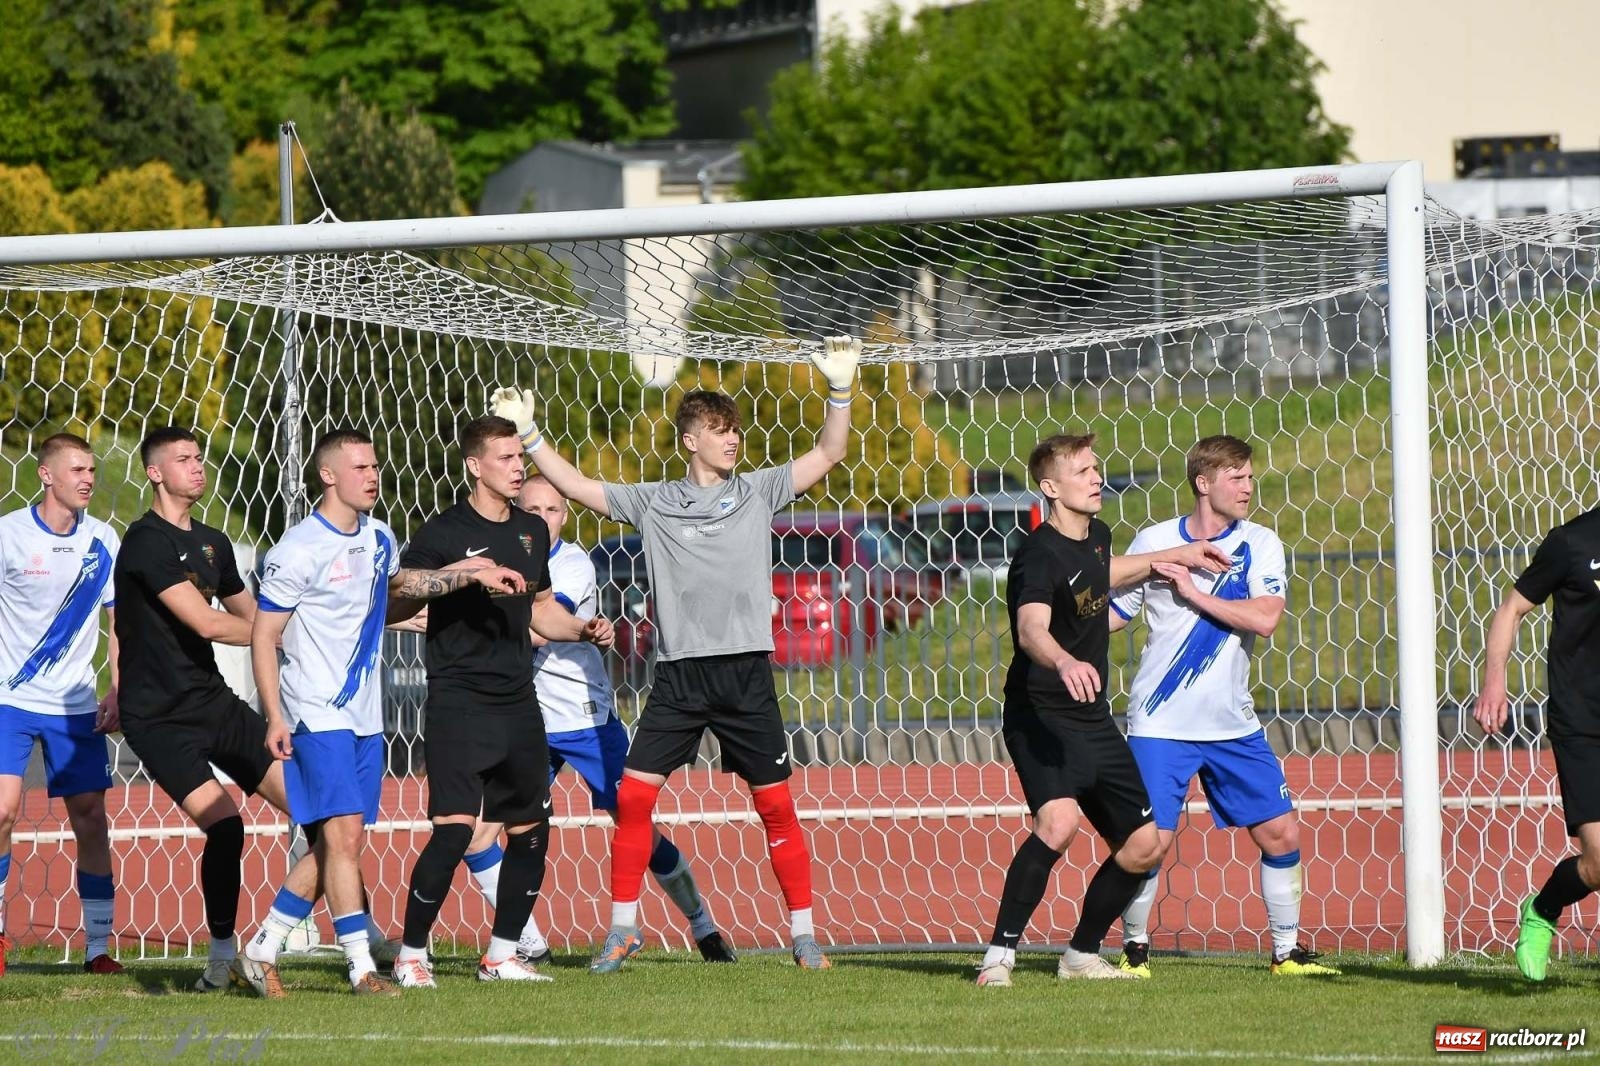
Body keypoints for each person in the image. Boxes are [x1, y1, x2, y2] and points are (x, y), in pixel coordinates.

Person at [492, 335, 863, 972]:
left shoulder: (758, 491)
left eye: (735, 431)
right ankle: (623, 928)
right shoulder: (656, 502)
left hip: (745, 673)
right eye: (719, 431)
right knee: (634, 799)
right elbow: (578, 486)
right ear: (691, 440)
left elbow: (830, 452)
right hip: (679, 678)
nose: (732, 440)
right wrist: (529, 436)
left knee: (774, 804)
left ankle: (804, 936)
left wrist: (839, 390)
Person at [232, 429, 527, 998]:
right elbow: (263, 635)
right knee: (343, 838)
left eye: (375, 466)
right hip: (316, 711)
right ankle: (362, 968)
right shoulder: (297, 550)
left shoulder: (380, 536)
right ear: (328, 476)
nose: (373, 476)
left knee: (336, 842)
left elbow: (402, 586)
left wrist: (469, 573)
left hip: (367, 716)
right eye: (361, 467)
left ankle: (262, 947)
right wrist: (274, 715)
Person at [975, 432, 1232, 988]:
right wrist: (1064, 662)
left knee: (1145, 845)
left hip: (1091, 716)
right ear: (1050, 487)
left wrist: (1176, 555)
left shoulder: (1096, 535)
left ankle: (1080, 956)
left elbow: (1103, 572)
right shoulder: (1036, 555)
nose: (1097, 478)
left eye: (1097, 468)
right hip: (1040, 713)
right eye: (1084, 471)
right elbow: (1030, 629)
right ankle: (999, 956)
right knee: (1059, 821)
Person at [455, 476, 733, 965]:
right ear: (516, 510)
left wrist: (466, 627)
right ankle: (528, 942)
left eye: (554, 510)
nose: (543, 518)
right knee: (479, 834)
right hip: (525, 721)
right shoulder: (498, 560)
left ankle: (703, 925)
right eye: (533, 508)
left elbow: (540, 631)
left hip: (585, 717)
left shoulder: (572, 563)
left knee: (635, 827)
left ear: (565, 517)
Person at [388, 416, 613, 988]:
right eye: (507, 458)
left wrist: (583, 628)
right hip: (459, 701)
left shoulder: (531, 532)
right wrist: (464, 575)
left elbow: (540, 611)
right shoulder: (444, 530)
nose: (518, 467)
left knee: (532, 828)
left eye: (520, 457)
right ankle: (411, 954)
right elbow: (397, 592)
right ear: (475, 465)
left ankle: (502, 954)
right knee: (456, 829)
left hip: (518, 701)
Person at [1110, 435, 1339, 978]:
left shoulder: (1260, 543)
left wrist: (1194, 594)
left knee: (1281, 832)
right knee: (1150, 844)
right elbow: (1114, 615)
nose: (1246, 486)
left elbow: (1264, 618)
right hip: (1160, 723)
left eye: (1250, 477)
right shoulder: (1156, 541)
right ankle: (1134, 950)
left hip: (1231, 723)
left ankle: (1287, 953)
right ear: (1202, 482)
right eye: (1235, 477)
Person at [114, 426, 318, 991]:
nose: (197, 467)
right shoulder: (145, 542)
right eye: (183, 459)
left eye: (200, 457)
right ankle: (220, 960)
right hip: (158, 718)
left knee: (322, 814)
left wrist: (293, 626)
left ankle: (347, 939)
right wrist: (283, 634)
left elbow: (253, 613)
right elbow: (208, 622)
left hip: (214, 704)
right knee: (227, 827)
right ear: (155, 473)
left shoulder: (213, 543)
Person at [0, 433, 122, 977]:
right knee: (1, 812)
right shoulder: (7, 536)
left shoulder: (104, 540)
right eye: (77, 469)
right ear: (46, 475)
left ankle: (97, 948)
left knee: (91, 820)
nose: (88, 479)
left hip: (76, 705)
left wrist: (116, 687)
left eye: (91, 470)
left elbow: (120, 622)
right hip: (9, 700)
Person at [1475, 501, 1600, 982]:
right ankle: (1543, 909)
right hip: (1584, 722)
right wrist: (1494, 680)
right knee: (1597, 863)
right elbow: (1512, 608)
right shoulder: (1571, 542)